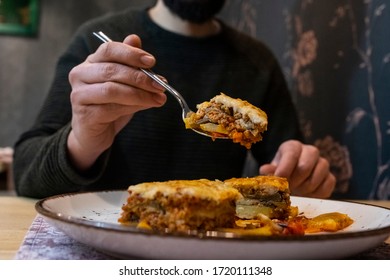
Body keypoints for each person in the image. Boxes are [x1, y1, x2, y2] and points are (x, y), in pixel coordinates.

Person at [13, 0, 335, 199]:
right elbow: (25, 173)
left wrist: (304, 176)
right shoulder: (102, 44)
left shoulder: (257, 63)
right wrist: (83, 141)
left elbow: (291, 167)